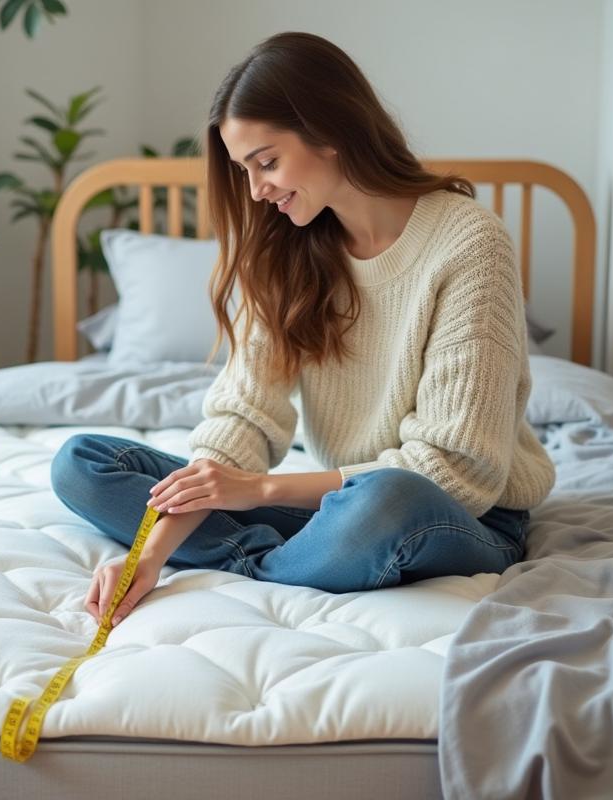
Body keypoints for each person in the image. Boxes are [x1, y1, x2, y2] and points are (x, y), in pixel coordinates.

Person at [50, 31, 555, 627]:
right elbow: (242, 420)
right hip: (335, 508)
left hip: (455, 514)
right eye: (244, 171)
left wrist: (258, 493)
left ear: (332, 130)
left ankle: (262, 559)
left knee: (384, 499)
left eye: (266, 162)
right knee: (82, 462)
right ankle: (295, 560)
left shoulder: (469, 244)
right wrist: (152, 553)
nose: (257, 190)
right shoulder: (288, 250)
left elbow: (458, 470)